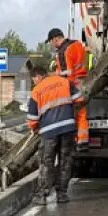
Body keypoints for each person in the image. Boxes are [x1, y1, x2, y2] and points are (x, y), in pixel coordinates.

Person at [27, 63, 80, 204]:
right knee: (65, 162)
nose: (34, 83)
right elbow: (79, 99)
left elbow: (32, 119)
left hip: (49, 132)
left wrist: (35, 128)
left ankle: (42, 196)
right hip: (68, 129)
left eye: (33, 80)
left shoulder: (36, 91)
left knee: (46, 163)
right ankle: (62, 194)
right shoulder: (64, 81)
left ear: (37, 76)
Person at [46, 28, 90, 151]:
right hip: (82, 81)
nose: (51, 44)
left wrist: (55, 75)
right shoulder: (77, 44)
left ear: (55, 39)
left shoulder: (63, 51)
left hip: (72, 84)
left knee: (68, 113)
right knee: (81, 112)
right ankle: (83, 140)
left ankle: (71, 141)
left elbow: (69, 72)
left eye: (50, 42)